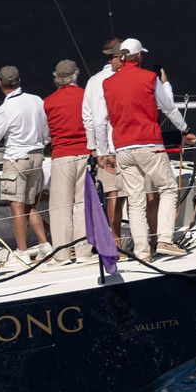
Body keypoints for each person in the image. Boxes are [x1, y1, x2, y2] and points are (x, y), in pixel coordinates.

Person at [93, 38, 196, 262]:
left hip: (122, 149)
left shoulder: (107, 83)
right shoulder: (150, 78)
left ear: (122, 57)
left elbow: (100, 121)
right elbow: (168, 107)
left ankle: (142, 253)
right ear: (139, 56)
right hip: (149, 145)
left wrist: (103, 152)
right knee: (168, 188)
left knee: (136, 200)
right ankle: (164, 240)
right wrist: (185, 130)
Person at [0, 65, 50, 256]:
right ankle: (44, 244)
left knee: (17, 206)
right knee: (29, 204)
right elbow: (46, 132)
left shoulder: (4, 110)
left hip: (17, 160)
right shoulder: (36, 100)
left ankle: (22, 252)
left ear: (0, 83)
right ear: (19, 81)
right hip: (37, 157)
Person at [42, 59, 92, 265]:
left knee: (60, 207)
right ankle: (84, 253)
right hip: (85, 153)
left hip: (61, 156)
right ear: (76, 75)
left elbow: (45, 134)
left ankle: (62, 255)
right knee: (83, 205)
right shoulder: (86, 96)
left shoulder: (48, 102)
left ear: (57, 78)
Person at [82, 37, 125, 241]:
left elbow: (87, 117)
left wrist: (94, 148)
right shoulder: (123, 78)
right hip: (125, 143)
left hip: (103, 148)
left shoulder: (92, 81)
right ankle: (145, 240)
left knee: (112, 193)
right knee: (134, 194)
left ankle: (115, 242)